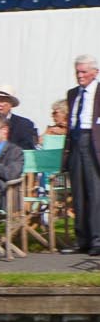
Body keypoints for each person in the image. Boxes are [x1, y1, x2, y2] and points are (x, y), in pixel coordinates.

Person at [65, 54, 99, 255]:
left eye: (84, 72)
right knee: (77, 193)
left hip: (93, 141)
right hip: (76, 140)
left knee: (95, 192)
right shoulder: (72, 94)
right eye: (77, 72)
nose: (80, 76)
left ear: (95, 72)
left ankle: (97, 239)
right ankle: (82, 239)